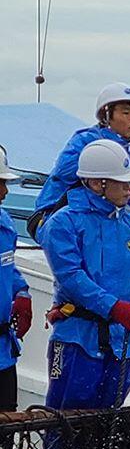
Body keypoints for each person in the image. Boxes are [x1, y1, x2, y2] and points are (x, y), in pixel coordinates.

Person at [39, 140, 130, 411]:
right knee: (65, 419)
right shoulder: (62, 224)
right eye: (121, 183)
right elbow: (71, 278)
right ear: (97, 184)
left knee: (108, 422)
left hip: (123, 345)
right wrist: (114, 307)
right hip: (77, 341)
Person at [36, 82, 130, 214]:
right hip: (64, 216)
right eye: (126, 113)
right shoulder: (85, 142)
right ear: (106, 115)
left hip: (108, 222)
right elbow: (64, 173)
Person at [0, 146, 32, 411]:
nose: (5, 192)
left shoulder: (4, 224)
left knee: (6, 429)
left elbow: (7, 267)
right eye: (0, 184)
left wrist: (22, 292)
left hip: (3, 353)